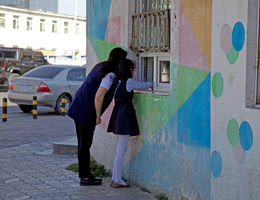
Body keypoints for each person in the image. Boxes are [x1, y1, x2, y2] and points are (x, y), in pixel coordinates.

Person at [68, 47, 127, 186]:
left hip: (78, 105)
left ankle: (86, 174)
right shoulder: (110, 75)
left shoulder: (101, 66)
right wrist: (98, 115)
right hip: (86, 110)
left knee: (82, 144)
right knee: (85, 145)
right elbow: (99, 96)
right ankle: (85, 178)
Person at [95, 59, 153, 188]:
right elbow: (144, 85)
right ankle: (117, 180)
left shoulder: (116, 82)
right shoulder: (129, 82)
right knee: (121, 150)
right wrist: (155, 83)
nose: (134, 71)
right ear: (130, 70)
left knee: (120, 149)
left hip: (117, 115)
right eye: (133, 68)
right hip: (124, 116)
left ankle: (116, 178)